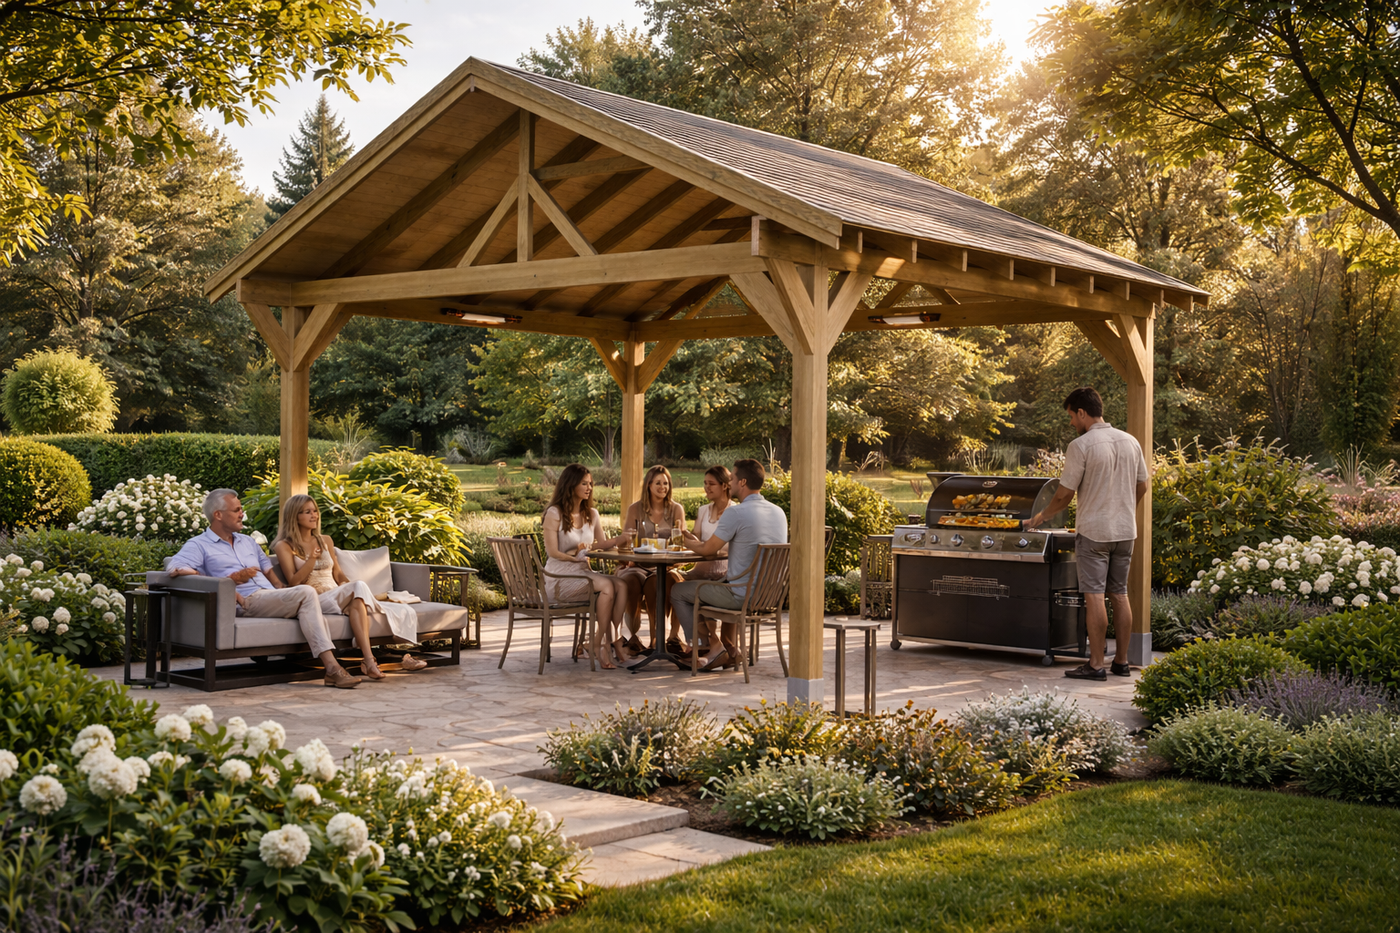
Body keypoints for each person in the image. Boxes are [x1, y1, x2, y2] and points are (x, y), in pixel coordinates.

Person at [167, 489, 361, 688]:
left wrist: (281, 588)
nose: (242, 514)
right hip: (246, 600)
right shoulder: (199, 544)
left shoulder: (247, 541)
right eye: (236, 510)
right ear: (218, 515)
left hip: (269, 597)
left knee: (312, 598)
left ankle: (332, 667)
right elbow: (174, 568)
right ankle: (332, 668)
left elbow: (268, 571)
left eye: (241, 509)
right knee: (306, 592)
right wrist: (227, 583)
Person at [1026, 386, 1150, 680]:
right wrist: (1125, 509)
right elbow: (1143, 485)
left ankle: (1095, 664)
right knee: (1119, 594)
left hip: (1095, 532)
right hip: (1125, 531)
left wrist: (1041, 517)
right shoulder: (1130, 441)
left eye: (1071, 416)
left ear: (1082, 412)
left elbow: (1063, 495)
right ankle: (1120, 662)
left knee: (1094, 596)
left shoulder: (1081, 446)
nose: (1071, 423)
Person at [271, 494, 427, 681]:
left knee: (357, 602)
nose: (314, 516)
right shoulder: (285, 546)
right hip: (313, 600)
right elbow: (294, 583)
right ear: (295, 516)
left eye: (315, 511)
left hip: (335, 594)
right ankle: (375, 603)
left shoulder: (325, 540)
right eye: (307, 512)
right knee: (359, 586)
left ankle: (369, 661)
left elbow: (337, 573)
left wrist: (345, 584)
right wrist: (311, 559)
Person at [672, 458, 788, 671]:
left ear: (742, 482)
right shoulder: (778, 512)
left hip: (741, 595)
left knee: (679, 591)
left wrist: (684, 540)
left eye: (733, 478)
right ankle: (728, 649)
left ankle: (711, 648)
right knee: (702, 586)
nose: (730, 482)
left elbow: (708, 549)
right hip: (771, 595)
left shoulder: (735, 512)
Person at [541, 463, 636, 669]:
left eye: (591, 484)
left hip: (583, 572)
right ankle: (601, 645)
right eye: (584, 483)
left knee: (622, 585)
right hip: (560, 575)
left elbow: (600, 546)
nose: (589, 488)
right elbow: (552, 552)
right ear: (570, 485)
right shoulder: (554, 513)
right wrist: (575, 557)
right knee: (608, 587)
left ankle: (610, 640)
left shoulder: (591, 514)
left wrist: (620, 543)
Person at [617, 465, 686, 652]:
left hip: (666, 566)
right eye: (658, 483)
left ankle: (664, 640)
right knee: (629, 581)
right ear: (648, 485)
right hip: (637, 565)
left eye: (666, 483)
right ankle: (632, 636)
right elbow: (625, 542)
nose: (663, 487)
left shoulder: (676, 510)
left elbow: (681, 542)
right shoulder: (635, 509)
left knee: (664, 582)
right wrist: (626, 552)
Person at [670, 464, 732, 664]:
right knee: (671, 580)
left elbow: (720, 548)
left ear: (724, 486)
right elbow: (697, 539)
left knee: (682, 591)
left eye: (711, 484)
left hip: (722, 572)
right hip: (700, 569)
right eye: (705, 483)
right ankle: (691, 641)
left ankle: (703, 644)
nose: (706, 487)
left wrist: (695, 543)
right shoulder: (703, 510)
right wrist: (687, 536)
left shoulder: (735, 512)